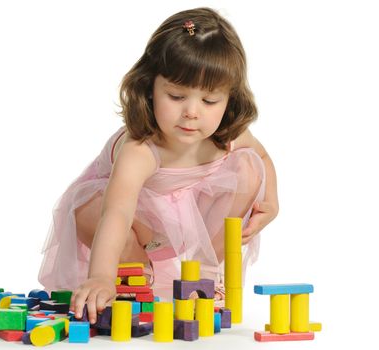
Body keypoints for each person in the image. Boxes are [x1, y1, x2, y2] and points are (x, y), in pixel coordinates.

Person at [38, 7, 279, 324]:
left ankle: (204, 272)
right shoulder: (141, 147)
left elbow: (261, 157)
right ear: (150, 88)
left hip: (188, 215)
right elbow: (118, 211)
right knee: (89, 211)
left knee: (248, 170)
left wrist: (271, 204)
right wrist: (101, 276)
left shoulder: (228, 135)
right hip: (130, 218)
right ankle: (140, 274)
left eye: (209, 101)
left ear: (230, 99)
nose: (192, 112)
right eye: (177, 96)